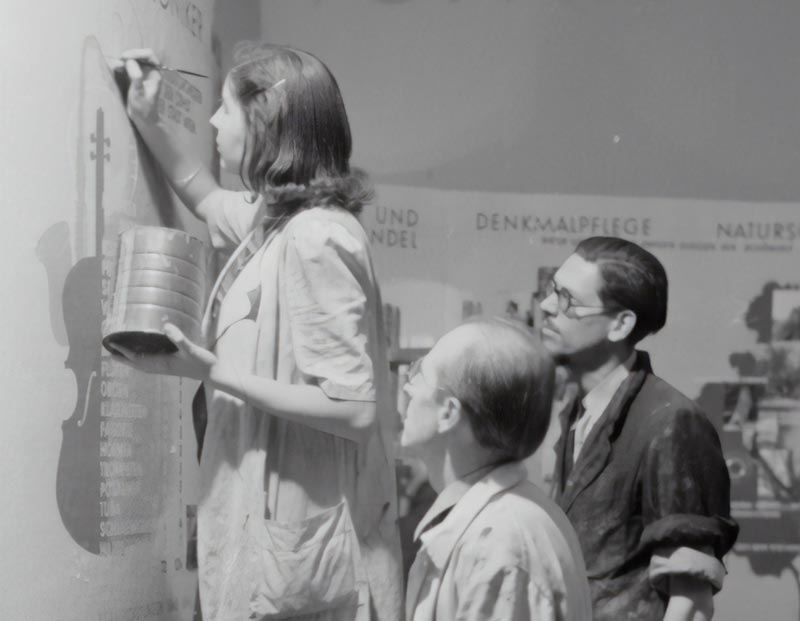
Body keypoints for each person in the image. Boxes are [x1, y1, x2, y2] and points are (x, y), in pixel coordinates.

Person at [112, 44, 403, 620]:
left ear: (265, 122)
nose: (214, 121)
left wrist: (214, 372)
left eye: (227, 109)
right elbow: (201, 193)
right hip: (276, 545)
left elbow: (353, 409)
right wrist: (147, 116)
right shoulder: (278, 220)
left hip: (309, 566)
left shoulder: (316, 235)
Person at [539, 236, 739, 620]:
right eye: (552, 289)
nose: (547, 305)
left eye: (567, 299)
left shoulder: (672, 422)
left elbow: (691, 602)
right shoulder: (581, 412)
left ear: (620, 324)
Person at [401, 317, 592, 621]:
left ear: (448, 413)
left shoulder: (497, 544)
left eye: (419, 373)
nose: (407, 387)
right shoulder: (498, 521)